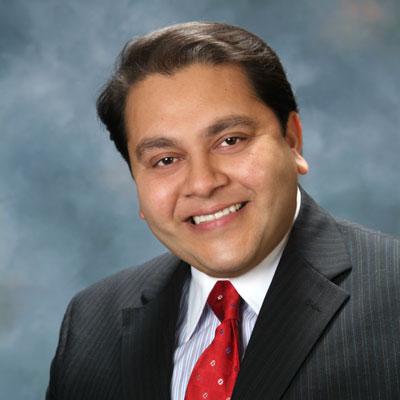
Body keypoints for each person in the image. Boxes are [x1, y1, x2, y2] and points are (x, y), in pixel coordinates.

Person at [46, 22, 400, 400]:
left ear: (292, 140)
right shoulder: (91, 322)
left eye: (230, 141)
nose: (203, 183)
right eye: (165, 160)